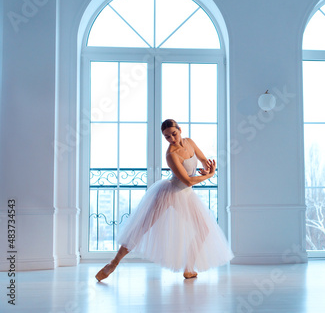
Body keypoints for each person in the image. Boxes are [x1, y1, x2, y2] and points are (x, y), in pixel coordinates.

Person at [95, 119, 233, 281]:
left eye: (174, 134)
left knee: (203, 228)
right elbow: (187, 181)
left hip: (186, 195)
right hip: (169, 193)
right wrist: (209, 176)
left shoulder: (189, 142)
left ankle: (189, 268)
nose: (172, 139)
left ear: (180, 130)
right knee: (142, 227)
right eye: (167, 137)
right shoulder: (171, 155)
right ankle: (113, 263)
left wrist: (208, 168)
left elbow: (203, 160)